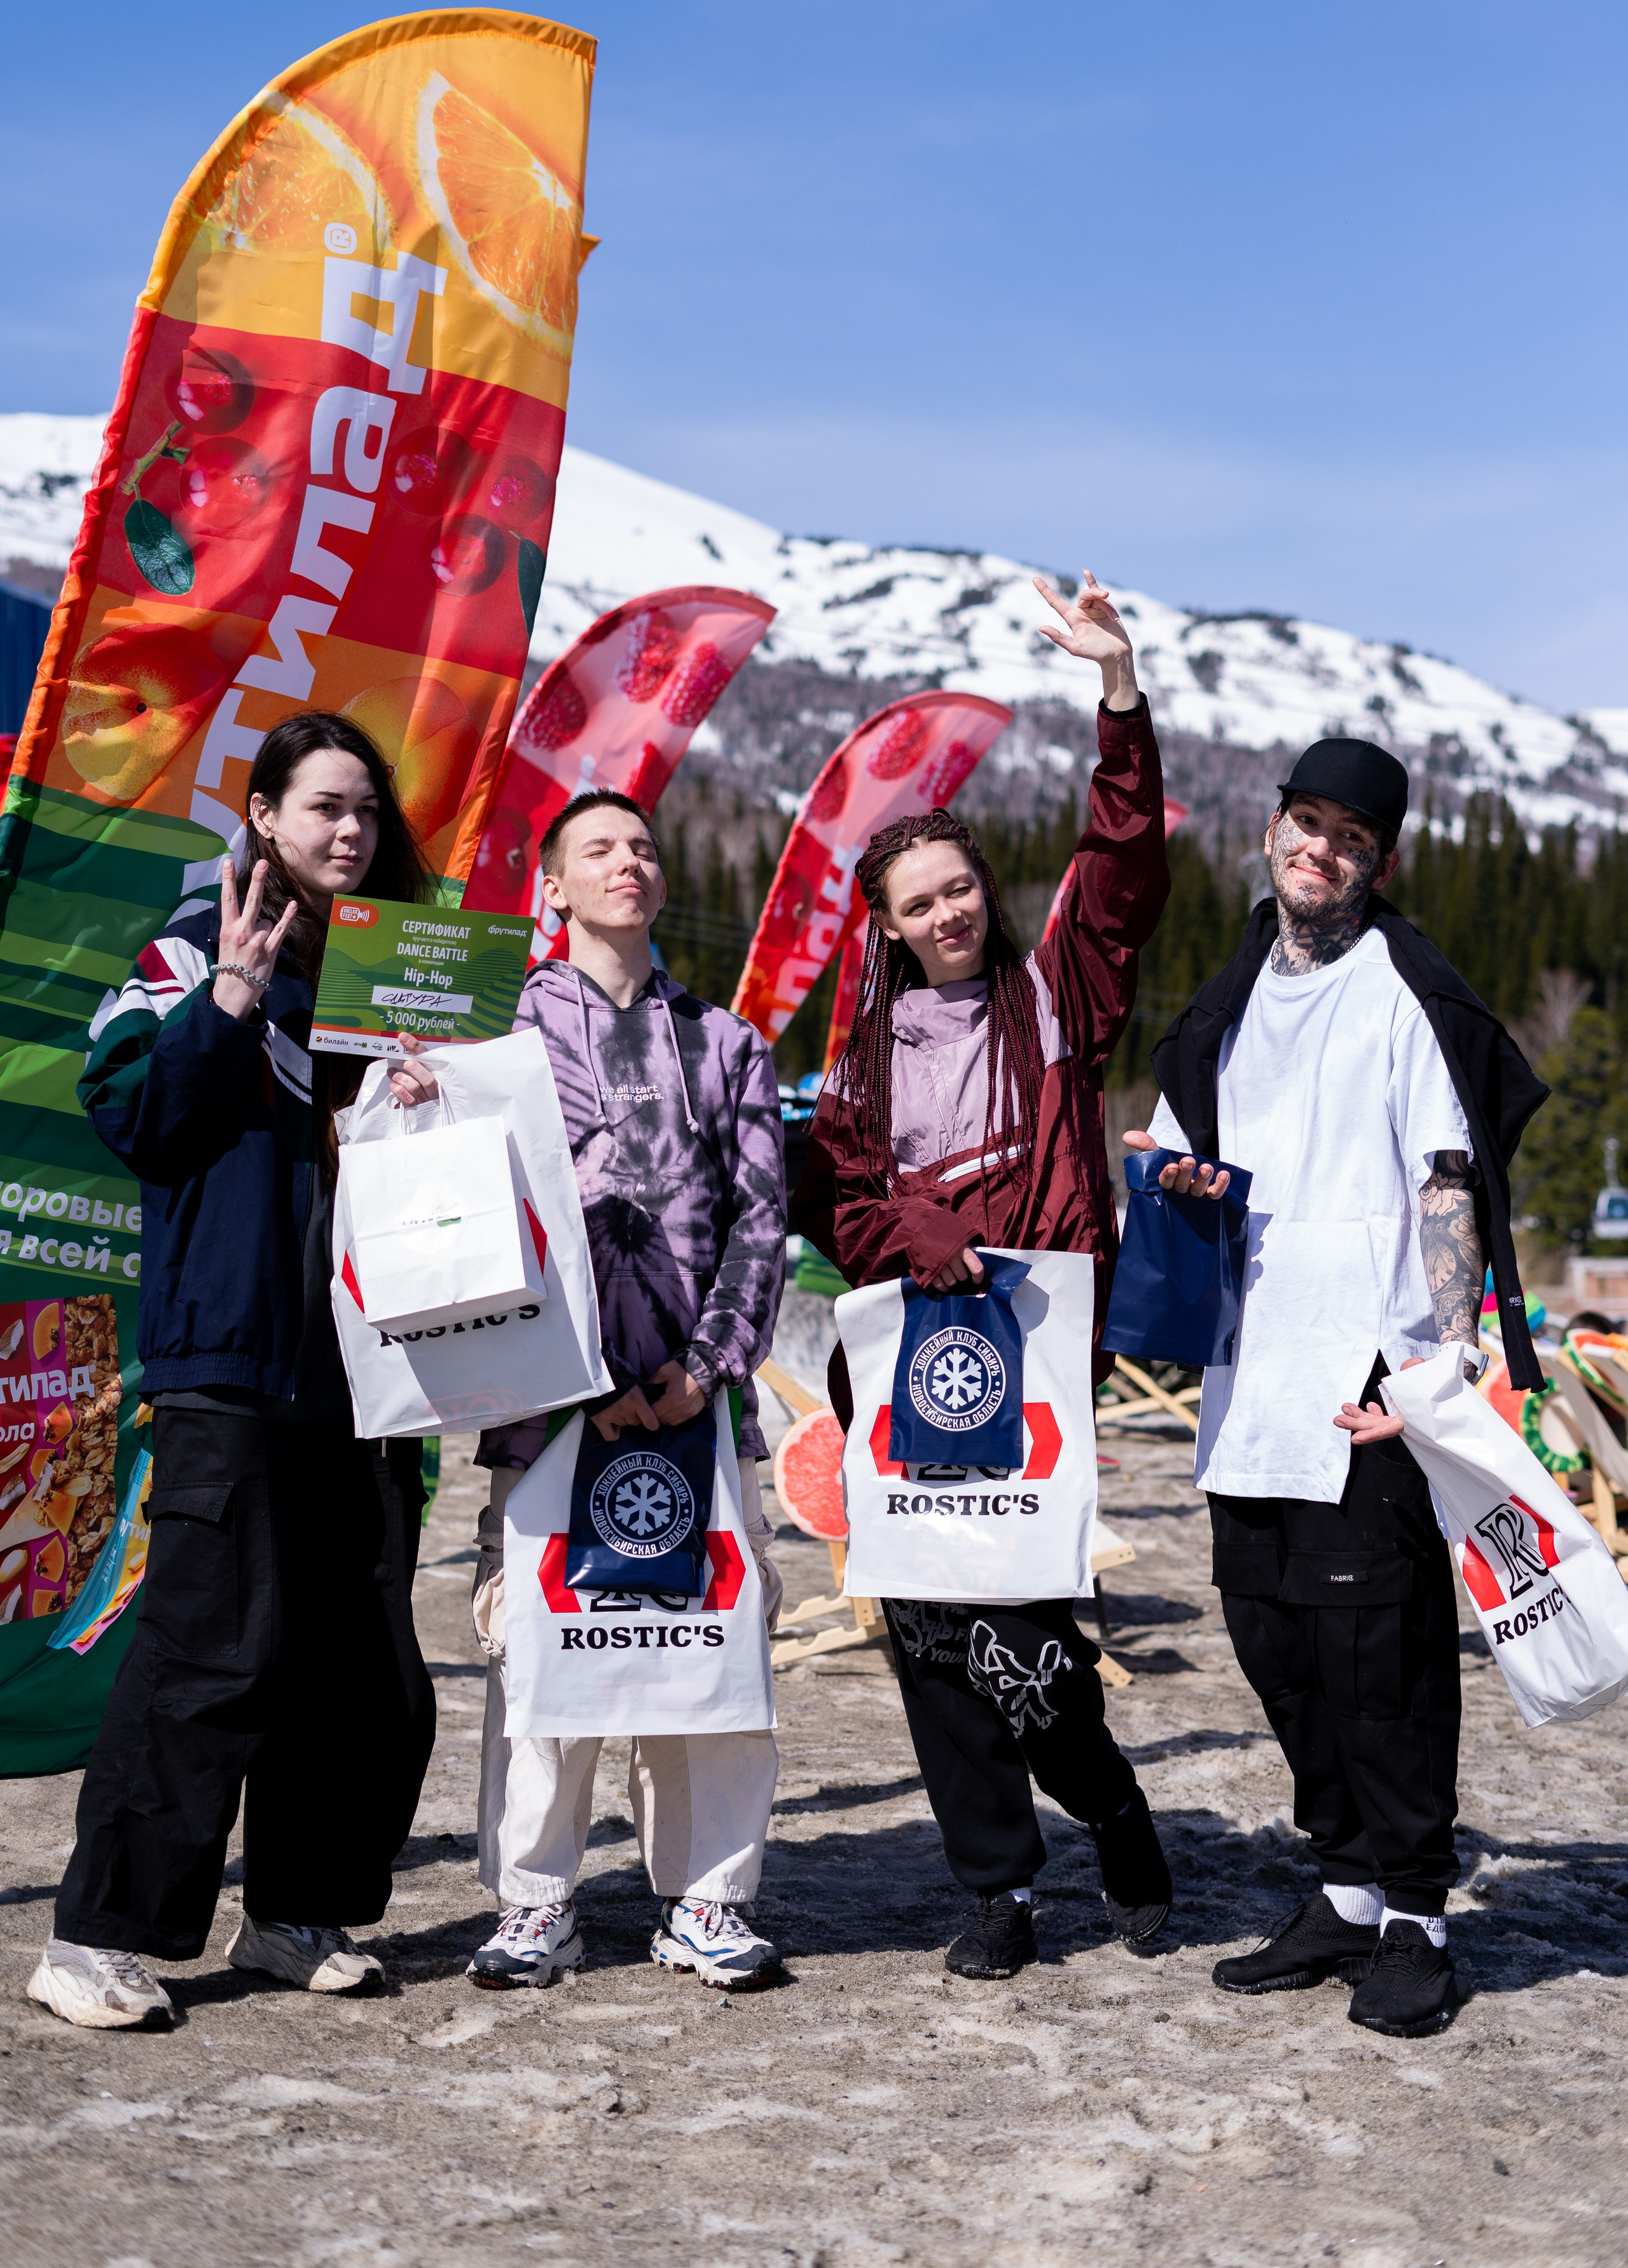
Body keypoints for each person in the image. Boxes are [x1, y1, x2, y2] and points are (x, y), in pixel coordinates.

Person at [28, 711, 439, 2031]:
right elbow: (134, 1115)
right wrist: (225, 1002)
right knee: (212, 1651)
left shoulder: (398, 975)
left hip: (372, 1371)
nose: (348, 832)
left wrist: (443, 1101)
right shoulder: (189, 942)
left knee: (353, 1669)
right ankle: (97, 1938)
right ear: (262, 814)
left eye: (366, 814)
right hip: (230, 1357)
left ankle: (293, 1915)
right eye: (323, 807)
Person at [792, 570, 1174, 1981]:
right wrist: (917, 1232)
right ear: (886, 926)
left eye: (959, 890)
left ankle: (1110, 1805)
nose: (948, 913)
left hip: (1032, 1370)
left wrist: (1116, 694)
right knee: (930, 1639)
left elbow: (1125, 869)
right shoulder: (866, 1063)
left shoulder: (1055, 999)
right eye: (919, 903)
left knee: (1022, 1623)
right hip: (906, 1367)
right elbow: (837, 1198)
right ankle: (998, 1890)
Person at [1137, 736, 1547, 2038]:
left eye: (1348, 838)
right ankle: (1344, 1890)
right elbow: (1172, 1155)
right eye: (1302, 825)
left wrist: (1435, 1369)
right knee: (1273, 1642)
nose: (1318, 852)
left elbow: (1446, 1178)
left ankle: (1418, 1912)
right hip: (1244, 1375)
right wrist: (1176, 1181)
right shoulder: (1229, 998)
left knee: (1383, 1659)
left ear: (1380, 859)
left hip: (1360, 1375)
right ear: (1272, 830)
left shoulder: (1396, 993)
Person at [457, 789, 788, 1994]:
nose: (628, 862)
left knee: (709, 1651)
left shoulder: (728, 1041)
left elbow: (762, 1223)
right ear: (551, 885)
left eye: (644, 846)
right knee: (543, 1652)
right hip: (546, 1404)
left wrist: (704, 1369)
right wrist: (573, 1374)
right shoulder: (494, 1041)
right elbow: (479, 1213)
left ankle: (708, 1900)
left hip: (700, 1406)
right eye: (597, 848)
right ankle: (536, 1900)